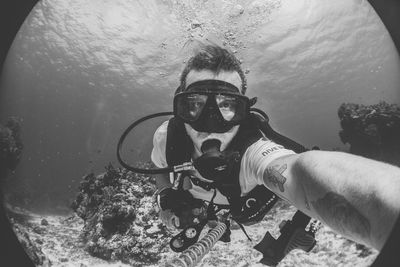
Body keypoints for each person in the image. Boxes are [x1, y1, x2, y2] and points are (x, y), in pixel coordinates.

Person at [150, 43, 400, 252]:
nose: (211, 125)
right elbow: (159, 167)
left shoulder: (254, 152)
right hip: (198, 200)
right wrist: (164, 195)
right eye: (194, 104)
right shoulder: (167, 137)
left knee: (248, 216)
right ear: (179, 106)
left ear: (242, 111)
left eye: (227, 105)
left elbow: (299, 173)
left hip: (244, 206)